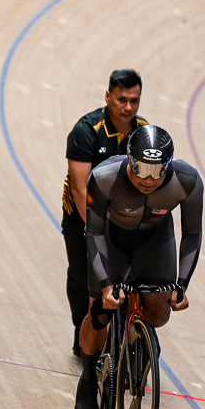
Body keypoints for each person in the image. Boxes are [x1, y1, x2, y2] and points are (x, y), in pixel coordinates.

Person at [75, 126, 201, 409]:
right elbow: (92, 232)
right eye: (141, 168)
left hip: (154, 241)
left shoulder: (187, 180)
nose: (148, 179)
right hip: (111, 239)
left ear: (169, 165)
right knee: (100, 311)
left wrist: (181, 285)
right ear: (129, 160)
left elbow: (193, 233)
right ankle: (89, 378)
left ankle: (144, 336)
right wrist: (105, 285)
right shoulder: (104, 177)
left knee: (158, 313)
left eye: (158, 171)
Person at [61, 70, 148, 356]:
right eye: (121, 99)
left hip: (123, 217)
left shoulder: (144, 133)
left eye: (134, 101)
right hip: (82, 216)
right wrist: (101, 234)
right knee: (82, 276)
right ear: (108, 96)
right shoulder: (86, 130)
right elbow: (79, 190)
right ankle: (82, 331)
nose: (128, 107)